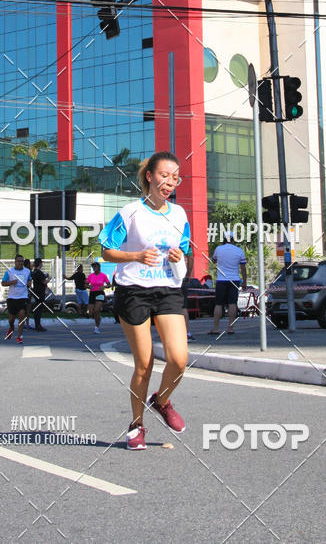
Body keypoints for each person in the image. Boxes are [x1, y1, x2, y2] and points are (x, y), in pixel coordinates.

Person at [100, 150, 190, 451]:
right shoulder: (130, 212)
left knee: (179, 359)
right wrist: (136, 255)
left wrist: (180, 256)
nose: (169, 182)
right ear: (150, 176)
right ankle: (136, 425)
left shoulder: (179, 215)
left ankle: (161, 401)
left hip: (168, 289)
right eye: (164, 175)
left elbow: (185, 250)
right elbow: (106, 252)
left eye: (175, 177)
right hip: (133, 290)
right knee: (144, 364)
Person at [208, 232, 247, 336]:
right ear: (233, 239)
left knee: (219, 304)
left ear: (224, 239)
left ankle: (216, 328)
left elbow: (213, 261)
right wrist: (245, 282)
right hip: (234, 280)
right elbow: (243, 268)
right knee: (232, 303)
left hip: (221, 280)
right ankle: (230, 328)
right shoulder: (239, 251)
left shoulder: (218, 249)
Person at [2, 254, 31, 343]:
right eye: (18, 261)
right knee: (11, 318)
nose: (20, 263)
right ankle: (11, 327)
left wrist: (29, 283)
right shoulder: (9, 271)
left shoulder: (27, 271)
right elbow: (3, 283)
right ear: (15, 262)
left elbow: (29, 279)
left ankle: (19, 336)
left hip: (23, 297)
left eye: (22, 261)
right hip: (12, 297)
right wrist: (12, 282)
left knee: (22, 315)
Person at [87, 261, 111, 334]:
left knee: (97, 310)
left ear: (99, 267)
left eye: (95, 267)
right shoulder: (91, 276)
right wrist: (89, 286)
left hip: (100, 293)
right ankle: (98, 319)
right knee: (91, 312)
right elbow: (85, 284)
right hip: (92, 293)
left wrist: (104, 286)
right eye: (93, 267)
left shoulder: (103, 275)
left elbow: (109, 284)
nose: (94, 268)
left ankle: (96, 327)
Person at [181, 246, 195, 341]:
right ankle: (186, 333)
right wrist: (188, 275)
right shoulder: (184, 241)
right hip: (181, 278)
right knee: (183, 307)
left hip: (165, 279)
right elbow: (190, 258)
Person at [31, 257, 48, 330]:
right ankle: (38, 326)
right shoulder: (39, 272)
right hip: (40, 292)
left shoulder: (34, 271)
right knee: (39, 309)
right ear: (40, 263)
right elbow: (44, 282)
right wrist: (49, 278)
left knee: (37, 309)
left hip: (35, 291)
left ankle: (37, 324)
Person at [23, 258, 33, 328]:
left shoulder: (22, 271)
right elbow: (29, 283)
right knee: (27, 308)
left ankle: (23, 323)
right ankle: (27, 323)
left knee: (23, 308)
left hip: (22, 291)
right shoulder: (28, 271)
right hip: (27, 291)